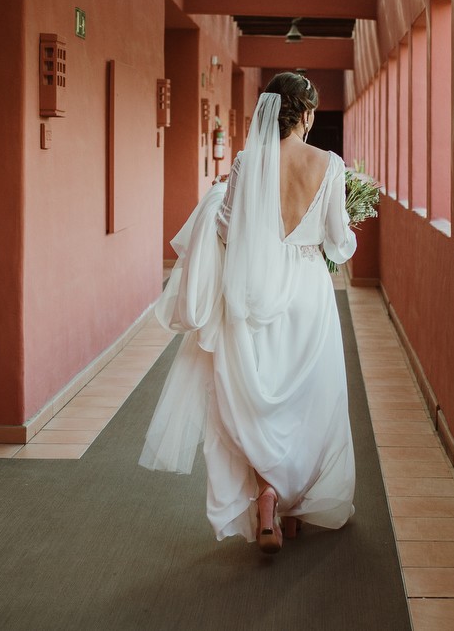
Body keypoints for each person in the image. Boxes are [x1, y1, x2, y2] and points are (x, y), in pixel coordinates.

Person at [140, 72, 358, 554]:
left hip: (252, 297)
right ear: (304, 115)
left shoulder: (246, 162)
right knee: (308, 399)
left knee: (258, 402)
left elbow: (225, 231)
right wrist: (345, 231)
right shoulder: (331, 165)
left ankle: (266, 497)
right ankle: (295, 502)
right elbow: (339, 245)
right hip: (307, 294)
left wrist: (222, 196)